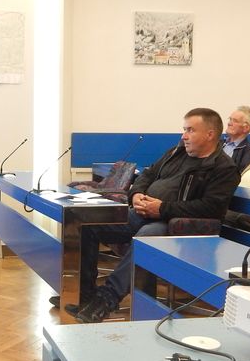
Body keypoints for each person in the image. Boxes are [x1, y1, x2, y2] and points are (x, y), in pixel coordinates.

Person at [69, 108, 239, 324]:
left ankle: (105, 301)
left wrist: (162, 209)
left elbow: (211, 208)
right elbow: (147, 175)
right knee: (88, 224)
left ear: (210, 134)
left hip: (176, 226)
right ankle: (86, 297)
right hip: (145, 213)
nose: (184, 136)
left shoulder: (223, 168)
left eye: (190, 130)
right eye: (184, 130)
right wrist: (136, 195)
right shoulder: (176, 153)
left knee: (147, 236)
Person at [222, 106, 250, 170]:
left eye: (235, 121)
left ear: (246, 128)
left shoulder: (249, 153)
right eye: (230, 119)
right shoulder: (217, 144)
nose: (229, 123)